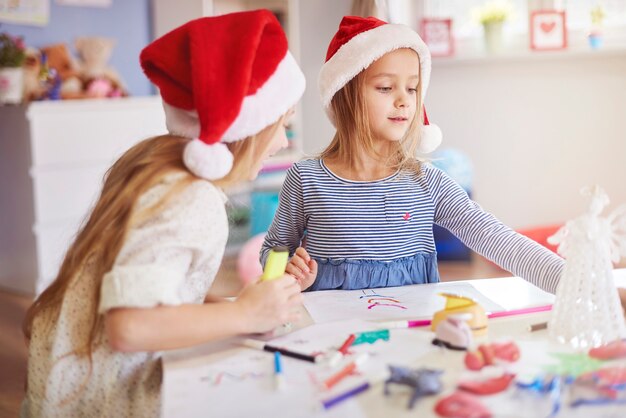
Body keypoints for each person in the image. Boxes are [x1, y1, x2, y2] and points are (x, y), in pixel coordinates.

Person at [21, 10, 305, 417]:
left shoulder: (156, 161)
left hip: (66, 376)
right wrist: (243, 314)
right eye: (282, 124)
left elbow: (158, 278)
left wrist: (234, 306)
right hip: (104, 393)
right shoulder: (194, 199)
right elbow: (130, 326)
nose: (283, 140)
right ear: (248, 125)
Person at [261, 15, 567, 294]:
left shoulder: (427, 182)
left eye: (412, 89)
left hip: (410, 335)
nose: (404, 101)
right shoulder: (306, 179)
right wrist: (288, 271)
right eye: (385, 87)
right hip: (331, 340)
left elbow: (498, 239)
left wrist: (576, 285)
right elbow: (274, 249)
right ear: (344, 94)